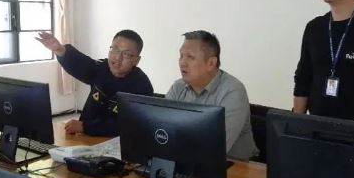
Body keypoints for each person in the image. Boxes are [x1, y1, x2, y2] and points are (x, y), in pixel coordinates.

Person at [36, 30, 153, 136]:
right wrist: (60, 50)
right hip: (85, 138)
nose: (118, 57)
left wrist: (85, 127)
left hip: (117, 144)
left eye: (126, 54)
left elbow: (130, 125)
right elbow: (81, 64)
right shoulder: (102, 69)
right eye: (115, 49)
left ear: (136, 60)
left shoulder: (141, 86)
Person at [166, 30, 258, 160]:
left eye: (190, 57)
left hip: (234, 165)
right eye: (181, 56)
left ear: (211, 63)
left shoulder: (233, 91)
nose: (182, 62)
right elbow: (162, 130)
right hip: (184, 159)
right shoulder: (178, 87)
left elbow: (215, 146)